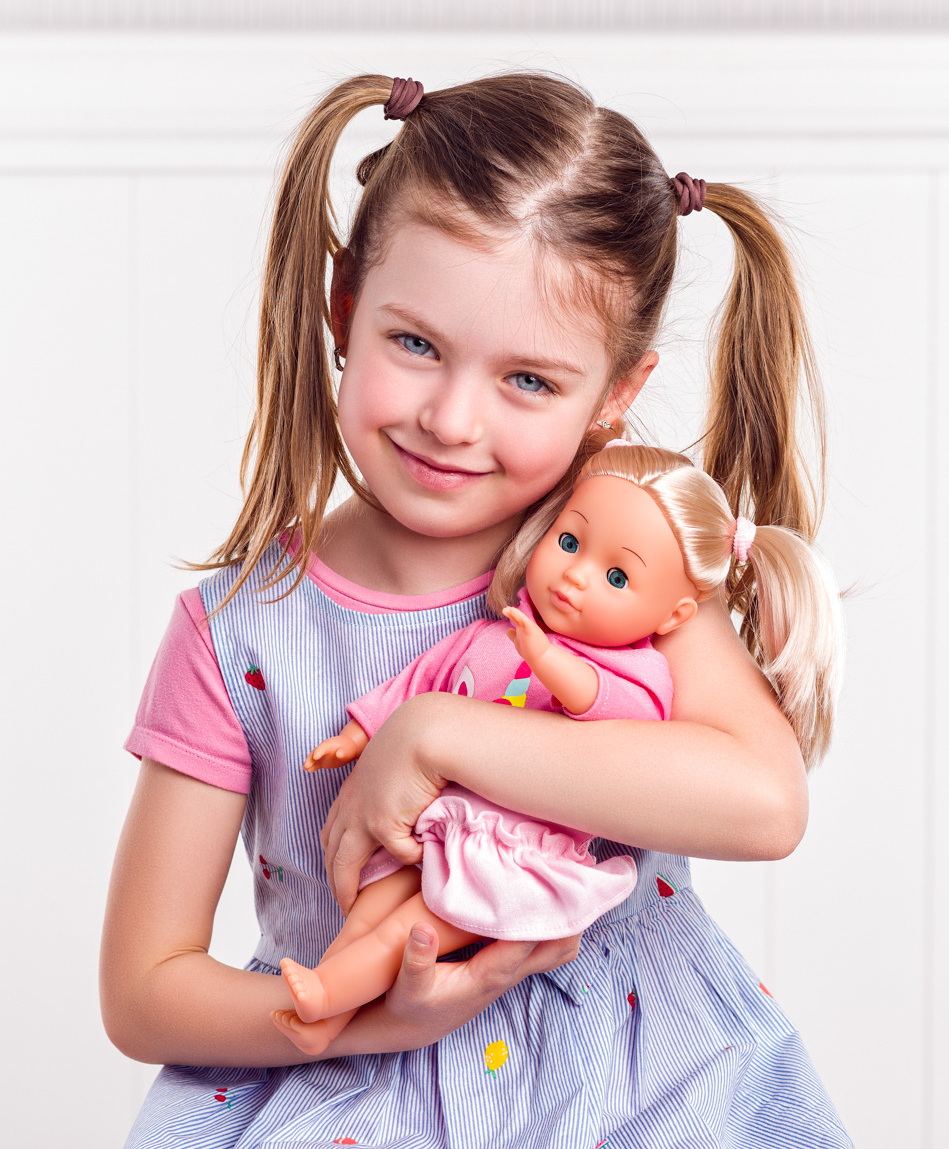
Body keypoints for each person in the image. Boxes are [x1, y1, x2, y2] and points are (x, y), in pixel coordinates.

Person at [101, 73, 852, 1147]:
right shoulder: (237, 635)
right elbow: (144, 989)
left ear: (616, 395)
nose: (452, 420)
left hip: (639, 1089)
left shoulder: (617, 573)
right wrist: (371, 1024)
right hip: (349, 1100)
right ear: (345, 307)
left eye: (529, 381)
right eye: (416, 344)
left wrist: (438, 733)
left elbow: (764, 804)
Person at [274, 442, 841, 1051]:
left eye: (617, 577)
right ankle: (325, 1006)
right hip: (441, 822)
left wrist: (542, 657)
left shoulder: (639, 674)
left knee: (413, 929)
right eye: (569, 542)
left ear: (674, 616)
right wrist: (359, 733)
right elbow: (423, 679)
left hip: (512, 849)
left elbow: (600, 705)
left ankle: (329, 1000)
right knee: (372, 905)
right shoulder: (499, 631)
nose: (575, 575)